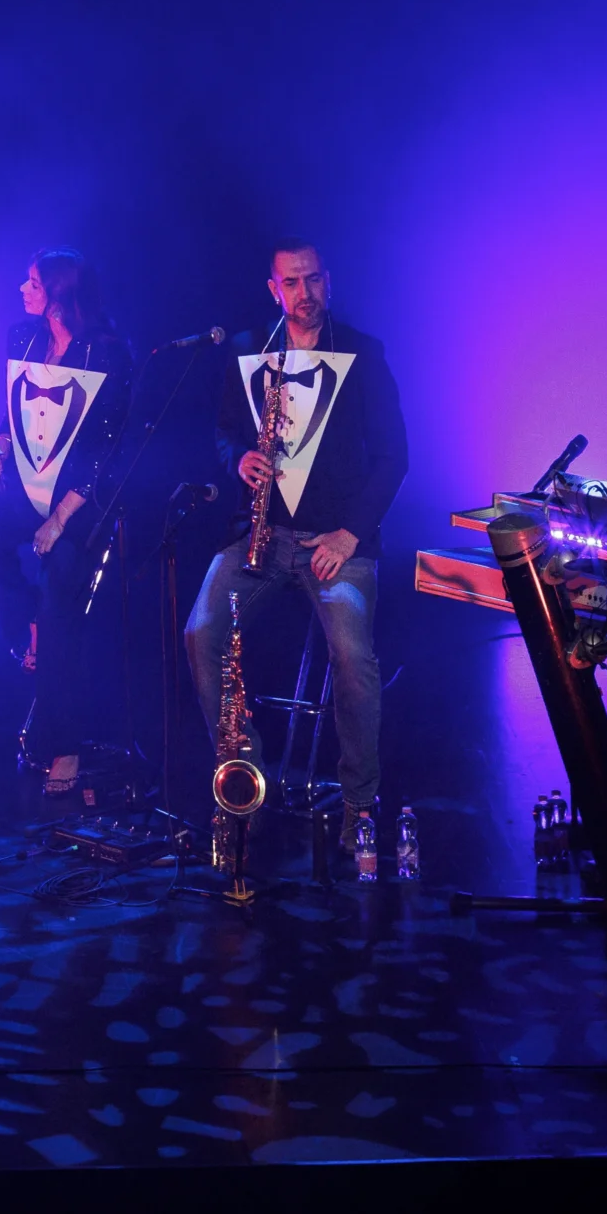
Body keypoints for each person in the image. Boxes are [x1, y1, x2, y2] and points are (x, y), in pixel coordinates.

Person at [184, 240, 405, 832]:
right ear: (273, 289)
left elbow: (395, 458)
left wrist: (350, 535)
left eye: (312, 279)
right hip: (259, 534)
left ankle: (359, 802)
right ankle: (243, 780)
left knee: (353, 658)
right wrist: (238, 460)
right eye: (291, 282)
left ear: (328, 280)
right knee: (201, 633)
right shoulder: (246, 349)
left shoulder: (363, 353)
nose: (304, 293)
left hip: (335, 543)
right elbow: (225, 432)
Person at [0, 248, 113, 673]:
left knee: (60, 571)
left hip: (78, 497)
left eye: (35, 284)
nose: (23, 288)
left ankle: (57, 667)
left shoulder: (104, 352)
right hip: (29, 484)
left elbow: (107, 447)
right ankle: (31, 624)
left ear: (59, 296)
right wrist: (2, 447)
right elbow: (15, 411)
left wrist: (59, 518)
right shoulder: (23, 338)